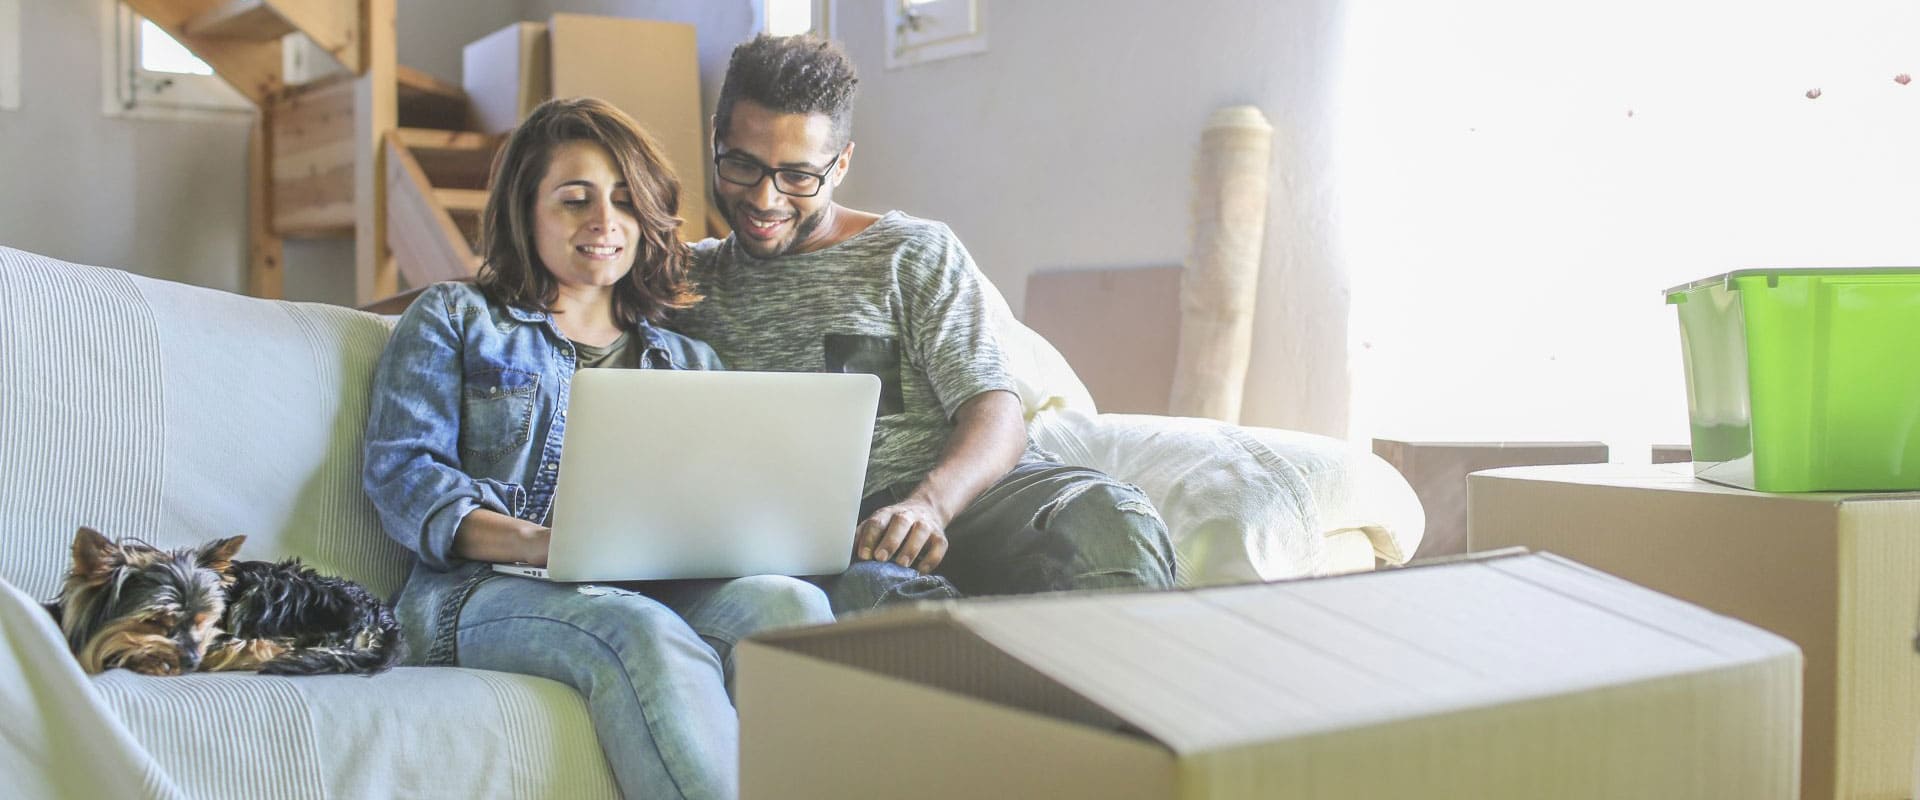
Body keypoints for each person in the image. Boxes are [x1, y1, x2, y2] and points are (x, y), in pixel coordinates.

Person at [362, 97, 832, 800]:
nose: (604, 222)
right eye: (574, 200)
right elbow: (404, 474)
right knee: (635, 629)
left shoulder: (689, 360)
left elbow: (721, 500)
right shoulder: (456, 318)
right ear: (527, 210)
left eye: (624, 201)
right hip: (478, 594)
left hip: (649, 582)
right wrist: (540, 543)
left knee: (790, 608)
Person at [672, 35, 1177, 615]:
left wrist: (929, 505)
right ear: (716, 138)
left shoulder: (910, 252)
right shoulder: (684, 281)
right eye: (743, 165)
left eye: (798, 176)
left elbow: (996, 415)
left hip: (968, 499)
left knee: (1110, 518)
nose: (766, 197)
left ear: (841, 163)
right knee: (874, 598)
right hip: (852, 542)